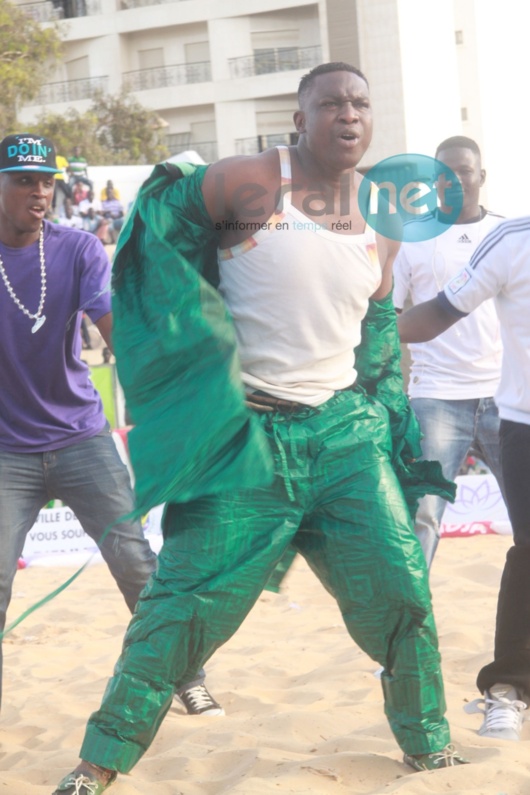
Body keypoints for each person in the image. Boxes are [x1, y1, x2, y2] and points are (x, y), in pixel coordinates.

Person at [53, 63, 467, 795]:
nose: (349, 115)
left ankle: (429, 746)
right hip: (247, 443)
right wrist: (185, 375)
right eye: (331, 104)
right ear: (299, 121)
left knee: (403, 593)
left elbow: (374, 328)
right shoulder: (250, 181)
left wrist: (388, 415)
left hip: (344, 438)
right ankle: (95, 765)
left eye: (361, 105)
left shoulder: (382, 218)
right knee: (178, 608)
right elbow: (156, 231)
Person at [0, 133, 222, 720]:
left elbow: (116, 329)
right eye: (24, 180)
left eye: (46, 180)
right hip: (6, 453)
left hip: (80, 438)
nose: (39, 191)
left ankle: (185, 675)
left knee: (133, 561)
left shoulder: (77, 250)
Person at [397, 214, 530, 741]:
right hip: (519, 419)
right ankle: (509, 690)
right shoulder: (511, 240)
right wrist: (359, 328)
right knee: (527, 553)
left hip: (498, 408)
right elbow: (437, 313)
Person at [393, 136, 505, 567]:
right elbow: (389, 318)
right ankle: (412, 613)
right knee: (423, 515)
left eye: (464, 170)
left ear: (481, 176)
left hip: (505, 394)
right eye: (445, 172)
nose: (454, 179)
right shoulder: (411, 239)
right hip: (435, 395)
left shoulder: (506, 232)